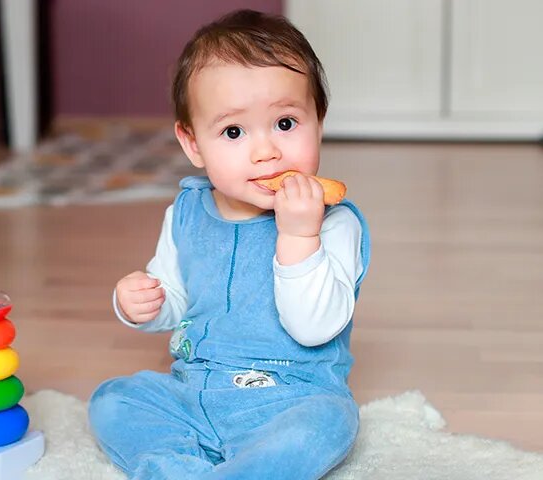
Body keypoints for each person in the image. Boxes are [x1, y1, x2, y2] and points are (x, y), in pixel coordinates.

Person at [88, 9, 371, 479]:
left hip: (290, 396)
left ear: (318, 120)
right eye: (234, 132)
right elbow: (177, 300)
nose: (265, 151)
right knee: (113, 400)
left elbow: (314, 327)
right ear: (193, 143)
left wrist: (300, 234)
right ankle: (170, 464)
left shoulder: (334, 223)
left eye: (285, 123)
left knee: (328, 424)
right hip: (194, 392)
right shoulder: (185, 213)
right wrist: (141, 302)